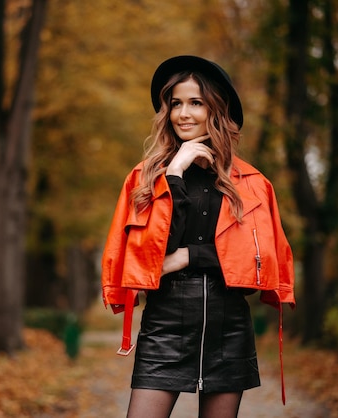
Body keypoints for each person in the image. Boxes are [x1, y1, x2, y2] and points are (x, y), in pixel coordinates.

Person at [101, 55, 296, 418]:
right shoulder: (145, 178)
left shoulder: (252, 185)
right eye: (175, 103)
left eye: (196, 103)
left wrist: (190, 257)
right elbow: (149, 258)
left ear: (216, 110)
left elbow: (254, 269)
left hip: (229, 327)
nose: (183, 114)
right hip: (165, 325)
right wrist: (174, 173)